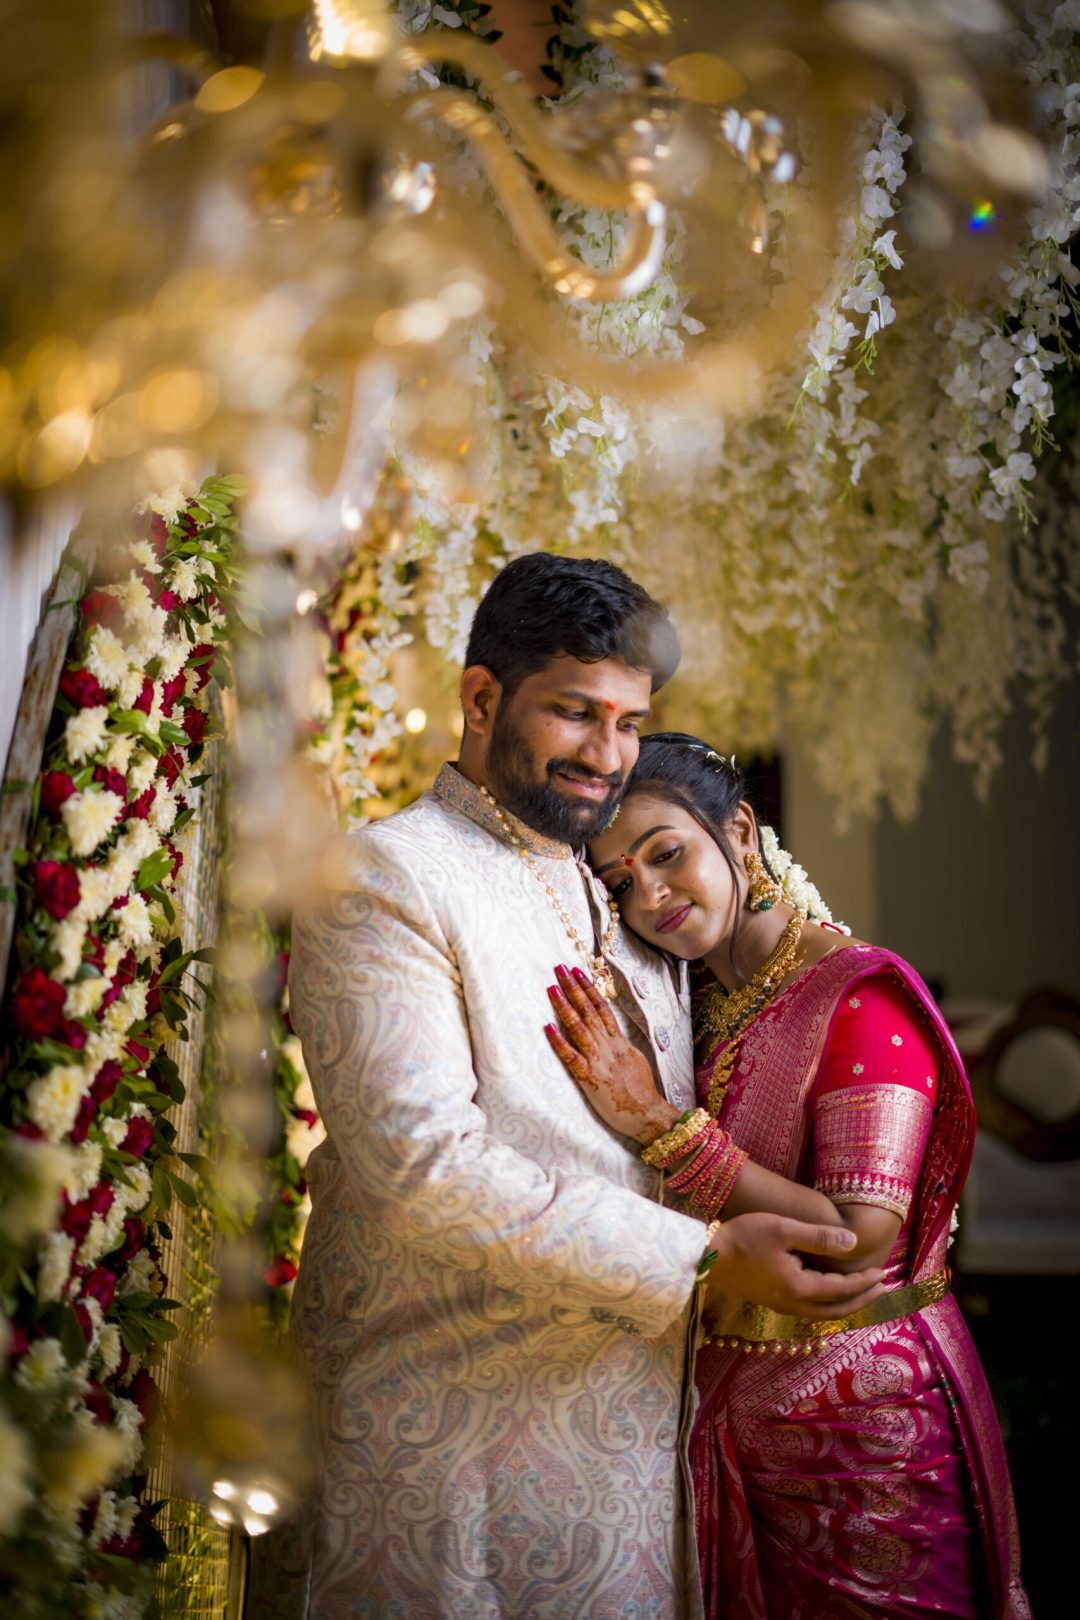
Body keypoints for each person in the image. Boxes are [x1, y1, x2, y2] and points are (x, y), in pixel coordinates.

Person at [249, 557, 884, 1620]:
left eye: (632, 722)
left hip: (641, 1464)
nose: (608, 754)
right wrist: (705, 1262)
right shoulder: (385, 876)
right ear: (483, 698)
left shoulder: (619, 887)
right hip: (446, 1455)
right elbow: (423, 1166)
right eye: (576, 713)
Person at [545, 732, 1029, 1620]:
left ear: (738, 831)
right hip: (730, 1421)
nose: (650, 895)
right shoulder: (701, 996)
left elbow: (859, 1236)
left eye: (667, 853)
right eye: (619, 881)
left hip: (866, 1426)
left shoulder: (857, 995)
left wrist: (661, 1125)